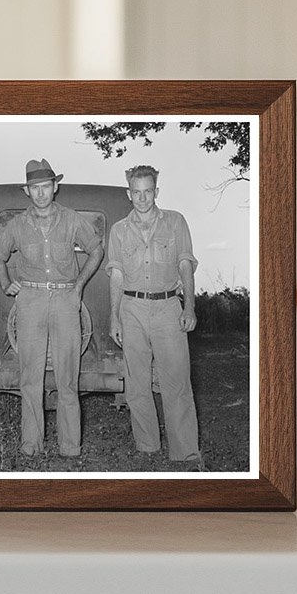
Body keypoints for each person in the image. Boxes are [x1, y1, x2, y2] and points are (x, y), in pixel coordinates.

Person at [0, 159, 103, 458]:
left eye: (45, 187)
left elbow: (96, 249)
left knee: (68, 377)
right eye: (34, 188)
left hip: (67, 300)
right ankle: (31, 444)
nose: (40, 193)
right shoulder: (17, 225)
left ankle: (70, 447)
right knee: (30, 377)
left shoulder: (72, 219)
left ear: (55, 187)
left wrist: (79, 285)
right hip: (30, 300)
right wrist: (6, 284)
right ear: (27, 192)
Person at [107, 164, 203, 471]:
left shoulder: (175, 222)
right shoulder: (119, 230)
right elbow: (116, 276)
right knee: (137, 384)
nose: (142, 198)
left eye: (148, 192)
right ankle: (146, 447)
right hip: (131, 308)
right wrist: (114, 316)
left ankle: (185, 452)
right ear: (129, 193)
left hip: (167, 308)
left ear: (156, 192)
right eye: (136, 192)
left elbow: (185, 265)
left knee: (177, 381)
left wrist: (189, 307)